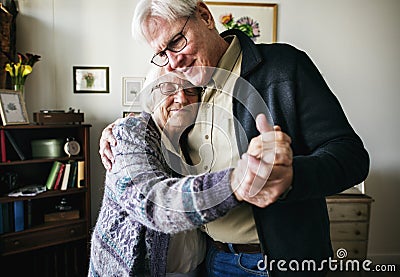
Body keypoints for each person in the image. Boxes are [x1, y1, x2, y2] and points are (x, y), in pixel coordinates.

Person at [99, 1, 370, 276]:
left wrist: (292, 176)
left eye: (177, 41)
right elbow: (156, 126)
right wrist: (119, 129)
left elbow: (352, 156)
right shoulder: (186, 90)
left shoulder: (285, 67)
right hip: (210, 260)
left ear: (205, 16)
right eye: (162, 53)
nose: (174, 61)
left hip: (280, 263)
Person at [90, 69, 289, 277]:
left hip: (201, 267)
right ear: (150, 96)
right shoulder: (129, 133)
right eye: (169, 88)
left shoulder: (191, 139)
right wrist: (234, 183)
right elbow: (153, 202)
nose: (182, 98)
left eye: (191, 90)